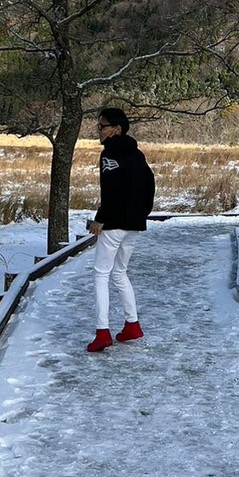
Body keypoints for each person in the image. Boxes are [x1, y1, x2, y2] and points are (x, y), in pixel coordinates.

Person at [85, 107, 155, 353]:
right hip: (133, 225)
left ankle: (102, 332)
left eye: (102, 126)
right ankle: (132, 326)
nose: (99, 130)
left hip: (115, 224)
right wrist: (139, 216)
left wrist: (100, 219)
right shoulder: (137, 155)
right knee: (119, 273)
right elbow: (149, 187)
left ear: (116, 128)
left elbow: (111, 189)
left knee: (101, 274)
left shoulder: (110, 154)